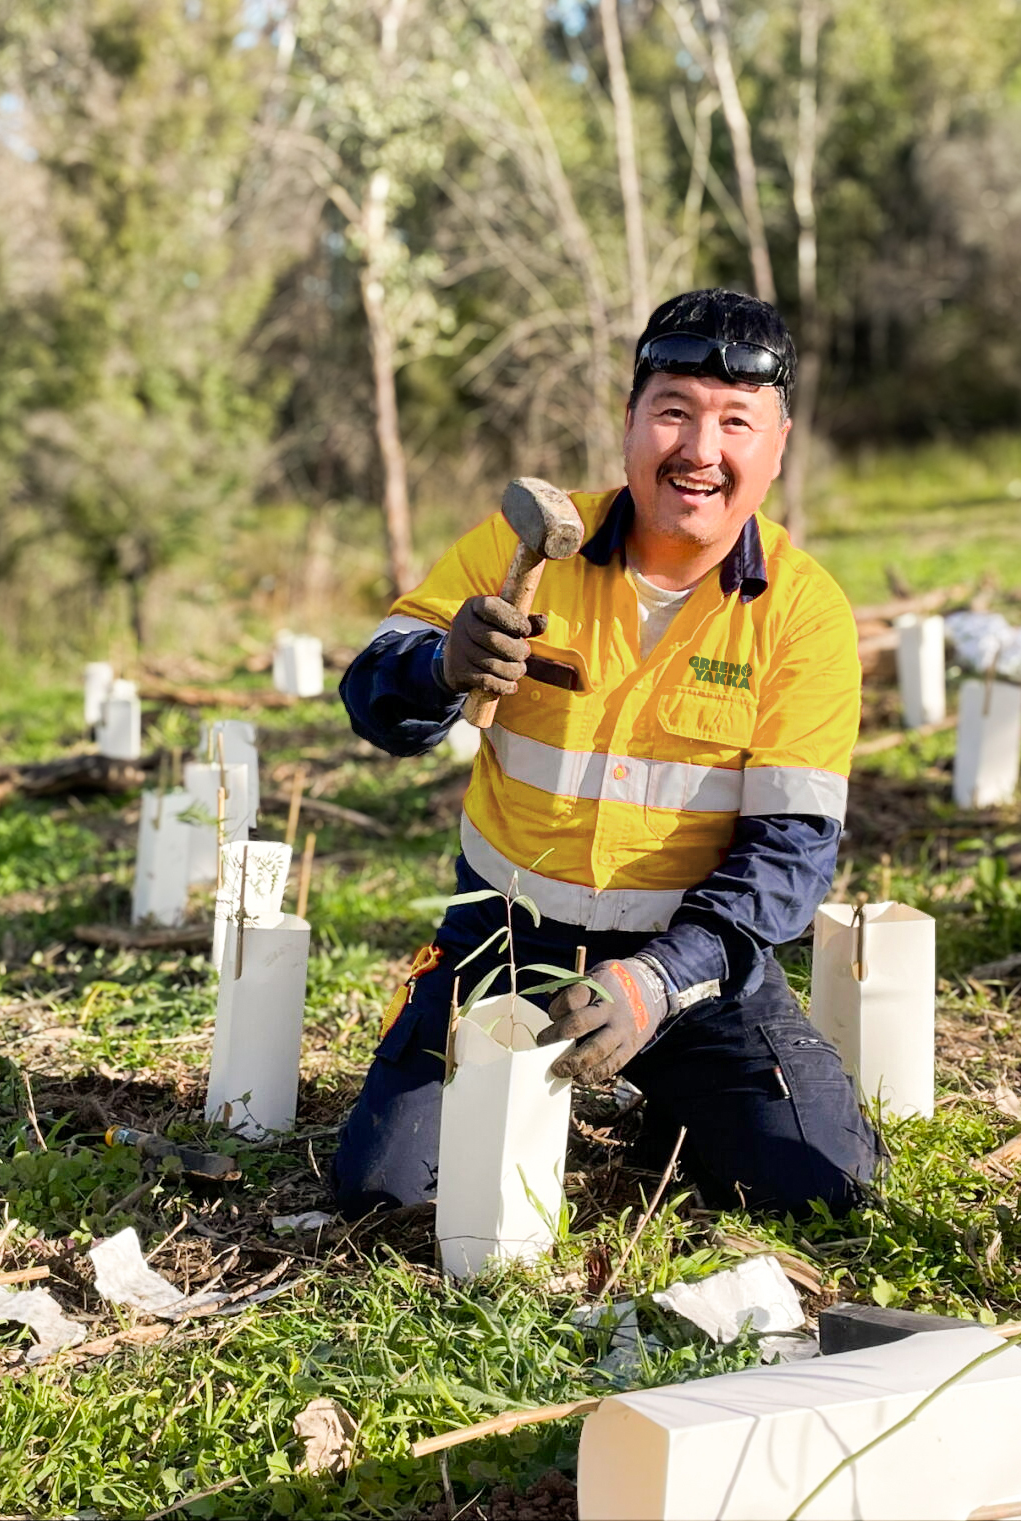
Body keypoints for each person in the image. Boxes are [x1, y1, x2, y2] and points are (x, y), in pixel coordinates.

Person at [332, 288, 879, 1218]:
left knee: (822, 1188)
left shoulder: (802, 612)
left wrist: (658, 981)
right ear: (629, 423)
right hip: (501, 939)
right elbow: (374, 700)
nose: (700, 451)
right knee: (388, 1194)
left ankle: (675, 1091)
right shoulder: (529, 547)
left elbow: (791, 856)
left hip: (689, 962)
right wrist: (437, 665)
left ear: (776, 447)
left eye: (735, 423)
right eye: (673, 412)